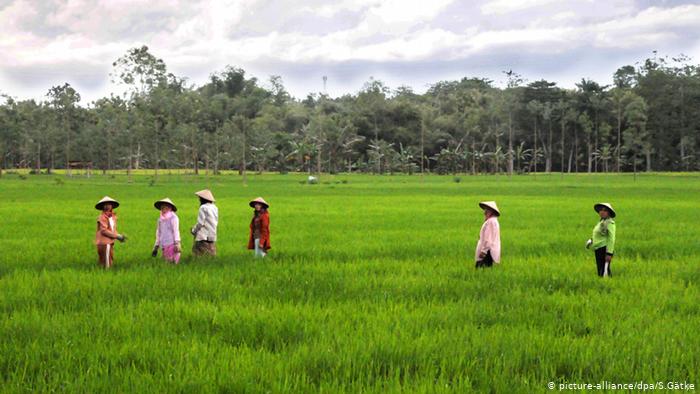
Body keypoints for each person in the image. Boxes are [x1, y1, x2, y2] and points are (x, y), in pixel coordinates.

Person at [94, 196, 126, 269]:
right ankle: (106, 276)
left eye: (108, 204)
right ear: (102, 207)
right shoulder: (102, 217)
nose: (107, 206)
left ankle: (103, 274)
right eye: (105, 205)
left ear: (112, 206)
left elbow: (112, 229)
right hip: (104, 242)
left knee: (109, 259)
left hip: (109, 242)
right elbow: (104, 230)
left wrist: (119, 236)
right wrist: (117, 236)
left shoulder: (113, 217)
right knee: (106, 264)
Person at [586, 203, 616, 277]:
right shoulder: (601, 222)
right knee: (600, 269)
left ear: (609, 213)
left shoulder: (610, 223)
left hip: (604, 248)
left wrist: (609, 253)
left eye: (605, 210)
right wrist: (591, 240)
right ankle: (603, 283)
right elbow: (598, 235)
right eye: (601, 210)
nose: (602, 212)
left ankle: (607, 284)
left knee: (604, 270)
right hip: (598, 248)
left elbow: (611, 239)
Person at [152, 198, 181, 264]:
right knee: (166, 263)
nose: (164, 210)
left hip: (172, 244)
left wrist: (177, 243)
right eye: (162, 208)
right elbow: (158, 232)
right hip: (163, 244)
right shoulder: (160, 220)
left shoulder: (174, 218)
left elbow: (176, 230)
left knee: (171, 263)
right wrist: (156, 246)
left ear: (170, 208)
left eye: (166, 208)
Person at [191, 189, 218, 257]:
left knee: (198, 254)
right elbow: (216, 221)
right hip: (212, 234)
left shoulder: (203, 207)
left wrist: (194, 230)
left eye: (200, 198)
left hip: (203, 234)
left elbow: (200, 223)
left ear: (202, 199)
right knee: (210, 253)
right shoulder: (215, 207)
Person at [475, 201, 501, 268]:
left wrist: (483, 251)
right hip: (489, 251)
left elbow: (488, 239)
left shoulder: (490, 222)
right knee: (486, 270)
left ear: (492, 211)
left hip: (487, 251)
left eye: (487, 210)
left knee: (480, 270)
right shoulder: (494, 221)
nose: (485, 212)